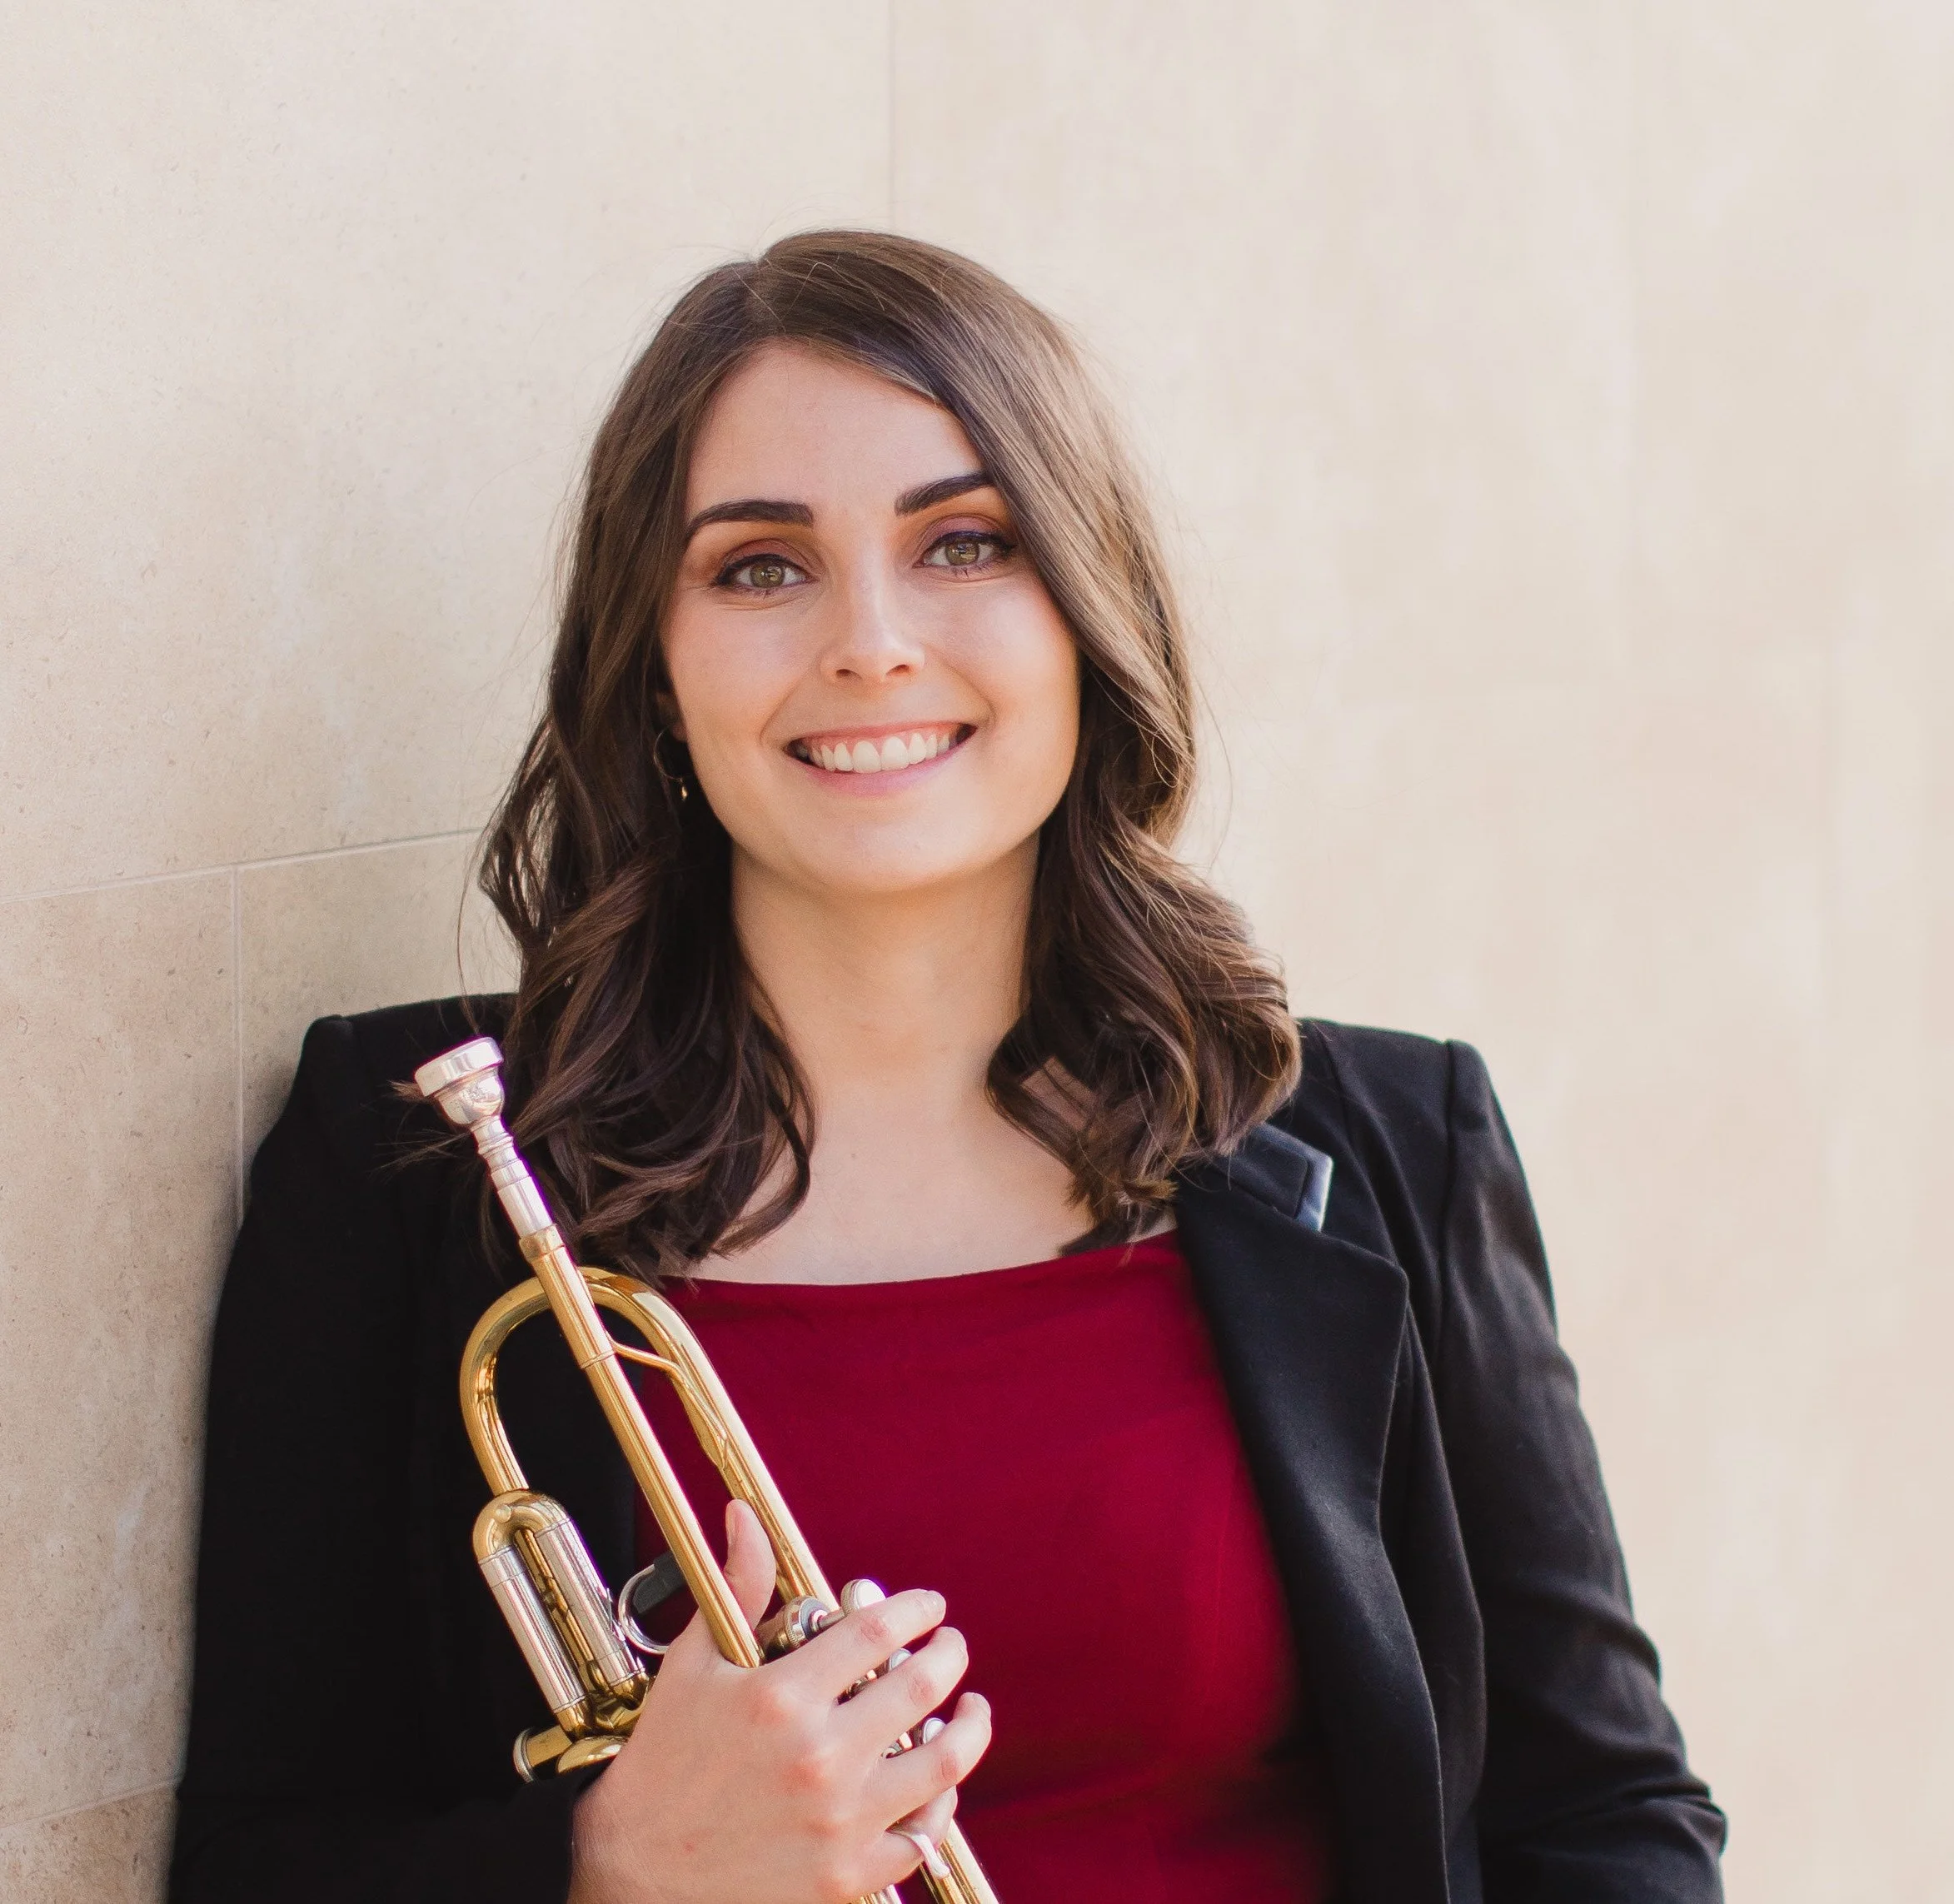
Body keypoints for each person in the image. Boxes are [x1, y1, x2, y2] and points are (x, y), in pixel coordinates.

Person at [169, 231, 1725, 1904]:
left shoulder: (1391, 1146)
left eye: (966, 543)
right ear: (654, 665)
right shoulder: (418, 1167)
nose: (872, 643)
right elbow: (249, 1866)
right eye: (760, 567)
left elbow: (1604, 1824)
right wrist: (608, 1868)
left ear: (1086, 612)